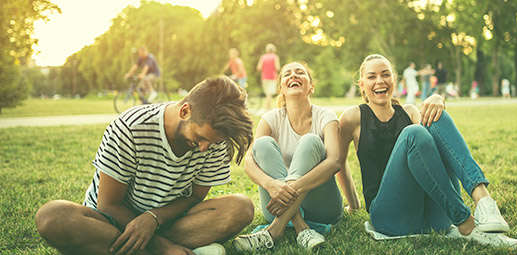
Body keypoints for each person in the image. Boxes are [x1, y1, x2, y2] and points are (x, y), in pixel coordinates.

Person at [35, 76, 255, 255]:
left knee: (240, 208)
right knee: (52, 216)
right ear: (185, 111)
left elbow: (195, 197)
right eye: (199, 138)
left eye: (212, 142)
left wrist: (153, 219)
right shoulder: (130, 128)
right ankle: (171, 250)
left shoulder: (217, 138)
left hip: (168, 221)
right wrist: (162, 246)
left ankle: (122, 249)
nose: (204, 149)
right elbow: (108, 205)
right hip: (111, 222)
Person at [338, 54, 517, 249]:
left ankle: (484, 200)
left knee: (435, 116)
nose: (379, 81)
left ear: (394, 79)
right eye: (371, 76)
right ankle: (465, 222)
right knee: (413, 133)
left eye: (385, 74)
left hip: (433, 217)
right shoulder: (353, 117)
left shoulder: (409, 112)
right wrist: (354, 204)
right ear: (362, 85)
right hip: (389, 218)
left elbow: (436, 149)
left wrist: (437, 98)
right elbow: (339, 162)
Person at [232, 62, 356, 251]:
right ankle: (300, 226)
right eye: (287, 74)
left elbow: (334, 162)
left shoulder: (325, 116)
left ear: (311, 86)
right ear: (281, 87)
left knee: (311, 141)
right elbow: (249, 162)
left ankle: (274, 231)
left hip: (322, 207)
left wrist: (292, 188)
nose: (293, 76)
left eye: (300, 73)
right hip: (275, 204)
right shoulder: (271, 118)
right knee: (262, 144)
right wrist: (271, 185)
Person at [257, 43, 281, 111]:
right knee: (269, 93)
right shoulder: (275, 57)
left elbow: (259, 67)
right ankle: (267, 108)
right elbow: (277, 68)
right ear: (274, 50)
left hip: (264, 77)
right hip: (272, 77)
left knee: (268, 93)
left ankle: (267, 107)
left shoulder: (263, 57)